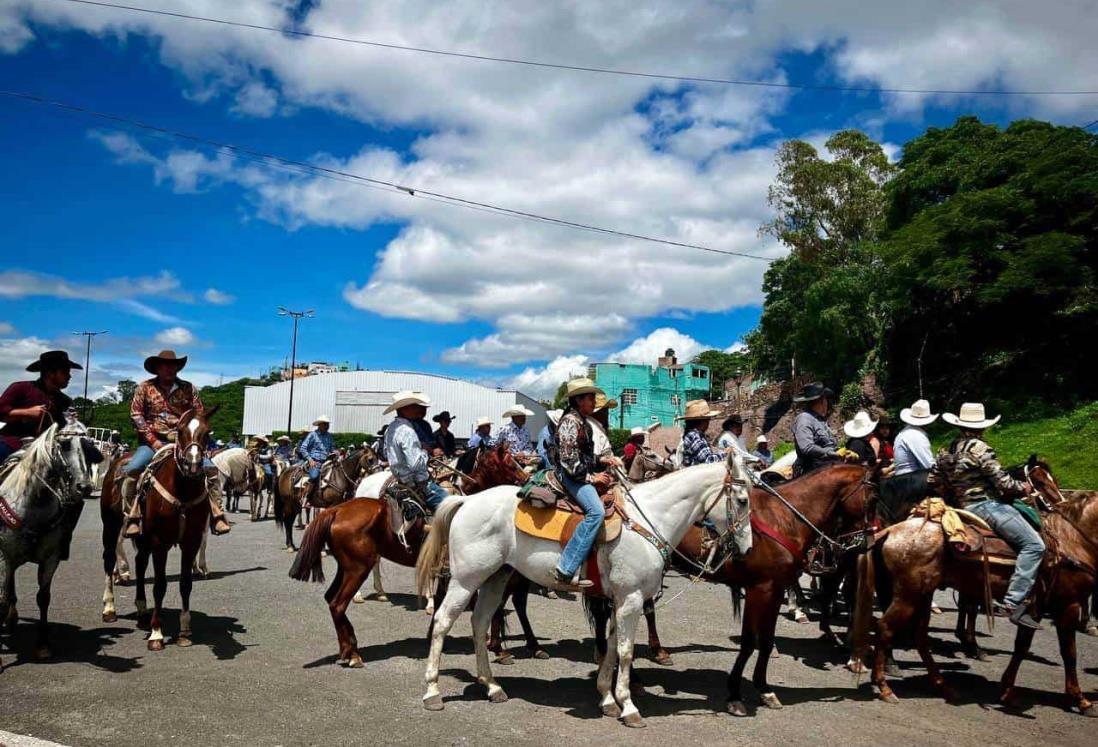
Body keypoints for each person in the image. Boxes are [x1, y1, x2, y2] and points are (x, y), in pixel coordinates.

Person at [929, 402, 1043, 629]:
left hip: (959, 507)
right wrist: (1025, 488)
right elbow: (1003, 482)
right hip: (986, 506)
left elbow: (933, 481)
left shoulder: (945, 450)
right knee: (1034, 545)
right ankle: (1013, 602)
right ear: (982, 428)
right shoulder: (981, 449)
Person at [122, 349, 230, 538]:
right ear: (157, 368)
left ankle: (217, 513)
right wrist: (153, 441)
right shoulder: (144, 388)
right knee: (133, 469)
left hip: (185, 441)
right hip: (153, 441)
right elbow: (136, 415)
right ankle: (132, 515)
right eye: (165, 365)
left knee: (211, 470)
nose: (169, 369)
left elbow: (199, 415)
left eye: (173, 365)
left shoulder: (189, 389)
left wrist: (195, 436)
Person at [553, 378, 617, 590]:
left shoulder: (582, 421)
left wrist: (602, 460)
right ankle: (566, 567)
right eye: (590, 397)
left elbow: (585, 456)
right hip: (570, 476)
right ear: (578, 400)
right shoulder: (571, 422)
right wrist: (593, 478)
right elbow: (569, 461)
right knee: (596, 512)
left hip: (578, 472)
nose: (594, 401)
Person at [0, 350, 81, 462]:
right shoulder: (20, 388)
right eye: (65, 372)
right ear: (50, 373)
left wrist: (72, 423)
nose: (69, 376)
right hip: (13, 444)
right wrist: (26, 413)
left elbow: (64, 430)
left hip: (48, 450)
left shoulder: (65, 401)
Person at [382, 391, 448, 513]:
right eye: (414, 406)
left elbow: (386, 453)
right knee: (451, 506)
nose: (418, 409)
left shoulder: (391, 428)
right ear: (404, 409)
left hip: (400, 480)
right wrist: (425, 451)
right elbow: (416, 464)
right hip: (419, 484)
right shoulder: (407, 431)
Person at [791, 382, 850, 476]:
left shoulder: (820, 420)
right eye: (826, 399)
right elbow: (807, 447)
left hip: (827, 468)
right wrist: (833, 453)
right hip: (812, 472)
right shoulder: (804, 418)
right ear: (821, 401)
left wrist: (842, 451)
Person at [677, 399, 725, 467]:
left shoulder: (699, 435)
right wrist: (726, 454)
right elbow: (708, 460)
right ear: (702, 421)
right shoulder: (693, 436)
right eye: (708, 420)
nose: (708, 423)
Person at [297, 415, 335, 488]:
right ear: (319, 425)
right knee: (314, 476)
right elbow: (303, 448)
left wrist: (335, 451)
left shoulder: (329, 436)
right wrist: (310, 460)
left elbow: (332, 448)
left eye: (328, 424)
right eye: (325, 424)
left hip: (327, 462)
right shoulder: (313, 435)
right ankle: (306, 496)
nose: (327, 426)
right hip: (315, 462)